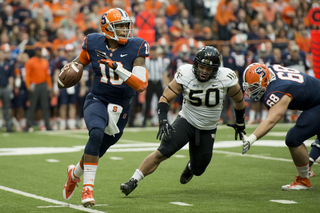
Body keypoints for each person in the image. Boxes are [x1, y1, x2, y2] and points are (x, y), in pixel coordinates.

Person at [120, 46, 246, 196]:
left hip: (208, 127)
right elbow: (165, 98)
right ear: (195, 64)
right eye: (201, 66)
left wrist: (240, 122)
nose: (204, 71)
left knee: (199, 169)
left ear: (216, 69)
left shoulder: (226, 78)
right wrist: (162, 120)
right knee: (163, 151)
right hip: (186, 121)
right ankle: (133, 180)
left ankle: (191, 166)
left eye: (209, 68)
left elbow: (239, 101)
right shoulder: (185, 73)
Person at [61, 8, 149, 207]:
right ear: (107, 29)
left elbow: (141, 85)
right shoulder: (93, 42)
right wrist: (66, 73)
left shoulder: (137, 47)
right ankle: (87, 189)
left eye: (127, 26)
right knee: (96, 134)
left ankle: (73, 174)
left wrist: (118, 68)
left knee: (98, 149)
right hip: (97, 100)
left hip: (122, 108)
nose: (126, 30)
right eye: (120, 27)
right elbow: (78, 64)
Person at [240, 62, 319, 190]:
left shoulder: (277, 89)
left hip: (317, 103)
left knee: (293, 138)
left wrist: (252, 138)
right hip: (314, 98)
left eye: (254, 87)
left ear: (265, 80)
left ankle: (303, 181)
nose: (251, 91)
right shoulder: (270, 70)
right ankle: (307, 168)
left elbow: (272, 119)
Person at [24, 46, 53, 132]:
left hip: (43, 85)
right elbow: (27, 75)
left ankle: (48, 125)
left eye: (40, 50)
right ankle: (28, 125)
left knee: (45, 106)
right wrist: (28, 85)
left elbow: (47, 75)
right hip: (34, 85)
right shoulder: (30, 62)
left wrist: (50, 85)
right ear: (35, 52)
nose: (39, 52)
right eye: (37, 51)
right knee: (32, 106)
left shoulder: (45, 62)